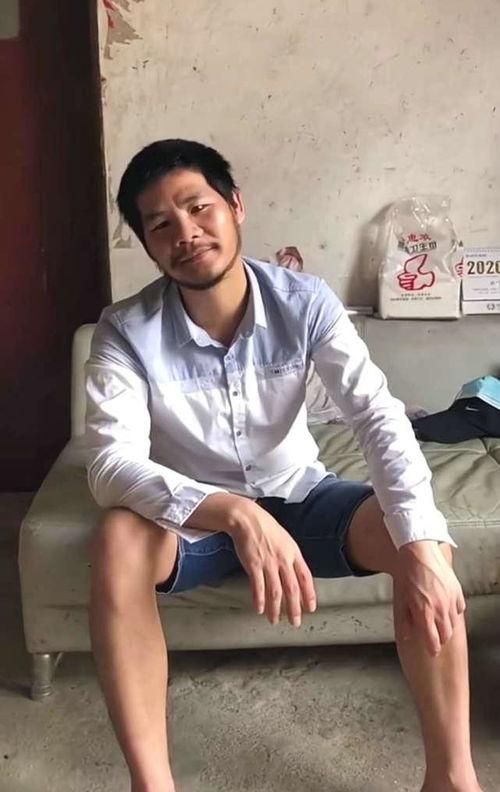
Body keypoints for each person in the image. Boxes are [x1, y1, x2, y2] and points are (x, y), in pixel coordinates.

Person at [85, 139, 482, 792]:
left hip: (300, 496)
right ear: (149, 245)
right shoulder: (125, 331)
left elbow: (376, 417)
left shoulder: (305, 301)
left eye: (198, 207)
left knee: (422, 542)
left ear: (235, 206)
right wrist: (234, 513)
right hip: (195, 521)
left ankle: (452, 778)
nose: (185, 232)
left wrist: (420, 543)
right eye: (160, 224)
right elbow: (110, 463)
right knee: (116, 541)